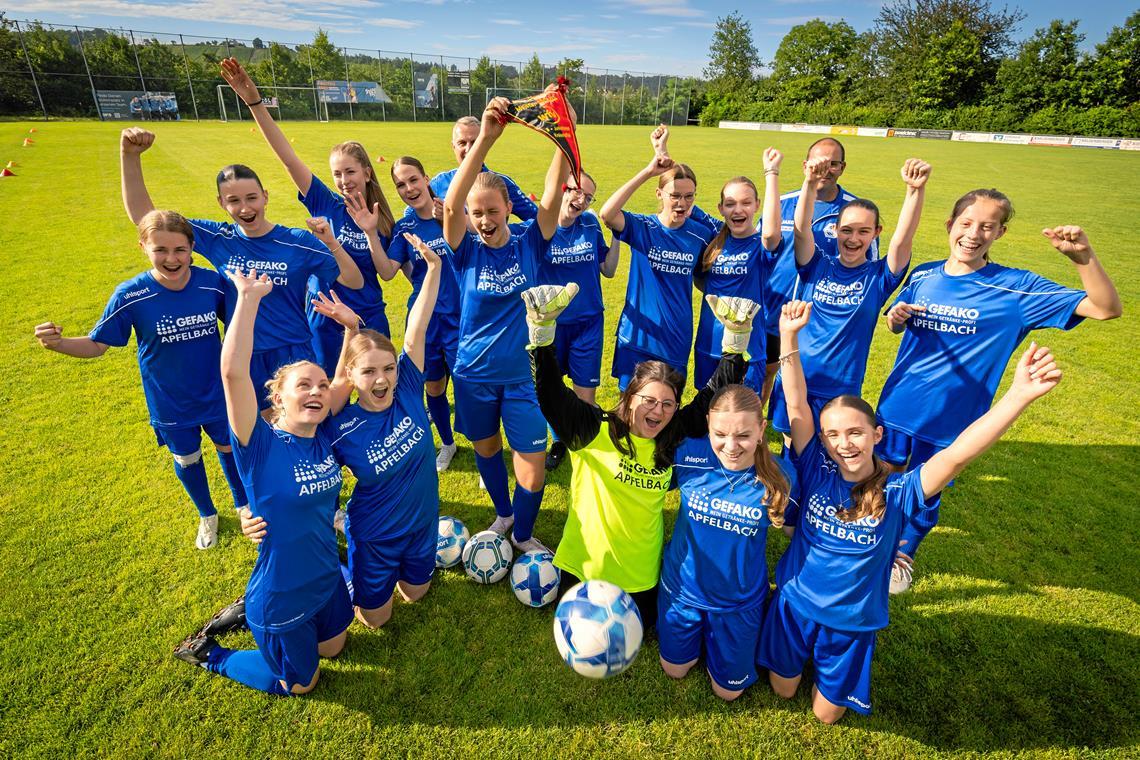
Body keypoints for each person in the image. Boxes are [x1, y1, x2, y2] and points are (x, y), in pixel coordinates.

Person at [759, 300, 1064, 723]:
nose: (844, 443)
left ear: (876, 434)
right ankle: (797, 659)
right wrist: (789, 336)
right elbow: (796, 404)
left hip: (852, 622)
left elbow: (956, 455)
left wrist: (1018, 396)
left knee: (826, 716)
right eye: (833, 434)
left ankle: (828, 673)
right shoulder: (814, 465)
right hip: (794, 603)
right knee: (781, 689)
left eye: (855, 433)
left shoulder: (900, 490)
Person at [876, 190, 1123, 593]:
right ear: (950, 225)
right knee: (879, 479)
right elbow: (894, 320)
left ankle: (903, 554)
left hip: (953, 419)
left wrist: (1084, 259)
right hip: (897, 404)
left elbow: (1105, 308)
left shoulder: (1017, 288)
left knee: (927, 488)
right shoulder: (923, 273)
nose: (974, 234)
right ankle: (869, 541)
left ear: (1000, 232)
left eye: (987, 226)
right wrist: (896, 317)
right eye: (967, 223)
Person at [525, 281, 761, 628]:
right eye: (648, 400)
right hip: (584, 567)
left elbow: (711, 397)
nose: (658, 410)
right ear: (629, 397)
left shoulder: (672, 434)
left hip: (641, 576)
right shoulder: (594, 430)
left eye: (668, 403)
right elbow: (550, 392)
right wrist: (542, 332)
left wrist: (735, 342)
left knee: (645, 628)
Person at [240, 232, 443, 630]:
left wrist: (432, 270)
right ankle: (343, 575)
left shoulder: (406, 390)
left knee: (416, 593)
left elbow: (416, 329)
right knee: (375, 620)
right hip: (375, 535)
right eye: (368, 371)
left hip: (424, 521)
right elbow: (285, 454)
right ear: (350, 376)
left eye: (388, 368)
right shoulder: (337, 425)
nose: (382, 378)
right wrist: (254, 513)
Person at [173, 267, 351, 696]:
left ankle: (245, 611)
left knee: (335, 647)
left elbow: (343, 379)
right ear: (278, 397)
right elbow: (233, 375)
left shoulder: (322, 434)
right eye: (303, 385)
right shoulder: (259, 443)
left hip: (325, 577)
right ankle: (209, 653)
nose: (316, 391)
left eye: (321, 386)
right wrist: (248, 299)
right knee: (300, 684)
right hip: (283, 594)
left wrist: (350, 329)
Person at [33, 210, 247, 550]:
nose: (172, 259)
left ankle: (244, 506)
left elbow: (242, 327)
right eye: (160, 249)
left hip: (218, 394)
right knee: (187, 458)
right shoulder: (131, 294)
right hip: (170, 400)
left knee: (229, 448)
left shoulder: (212, 284)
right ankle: (207, 514)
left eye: (179, 249)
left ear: (192, 247)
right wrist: (59, 344)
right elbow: (98, 345)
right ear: (143, 247)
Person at [119, 127, 365, 409]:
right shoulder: (218, 239)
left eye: (251, 198)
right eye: (233, 200)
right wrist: (130, 156)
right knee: (257, 435)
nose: (245, 208)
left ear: (265, 196)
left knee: (302, 428)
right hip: (243, 355)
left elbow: (354, 280)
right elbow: (146, 219)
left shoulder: (297, 242)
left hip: (293, 351)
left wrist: (332, 243)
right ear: (221, 202)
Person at [441, 92, 569, 553]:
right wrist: (486, 139)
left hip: (524, 377)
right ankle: (503, 514)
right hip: (474, 374)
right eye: (478, 214)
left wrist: (562, 139)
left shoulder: (530, 244)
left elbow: (552, 199)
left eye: (493, 211)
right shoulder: (465, 250)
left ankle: (522, 532)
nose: (484, 220)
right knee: (487, 448)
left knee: (531, 462)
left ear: (509, 209)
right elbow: (451, 206)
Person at [220, 57, 397, 377]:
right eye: (337, 174)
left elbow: (385, 274)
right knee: (325, 397)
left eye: (350, 172)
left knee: (379, 390)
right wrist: (255, 103)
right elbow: (288, 159)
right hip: (324, 320)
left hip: (369, 317)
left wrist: (371, 233)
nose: (343, 180)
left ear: (367, 173)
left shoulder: (383, 219)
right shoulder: (324, 203)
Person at [768, 156, 929, 438]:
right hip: (796, 378)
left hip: (840, 386)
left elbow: (902, 240)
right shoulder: (816, 264)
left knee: (832, 453)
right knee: (793, 449)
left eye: (864, 231)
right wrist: (809, 182)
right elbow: (801, 228)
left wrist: (914, 191)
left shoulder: (879, 277)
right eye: (847, 230)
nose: (854, 238)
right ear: (836, 231)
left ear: (876, 233)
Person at [658, 384, 794, 701]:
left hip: (738, 602)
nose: (731, 446)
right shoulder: (687, 453)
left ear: (762, 430)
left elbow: (799, 531)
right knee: (675, 669)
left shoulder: (781, 476)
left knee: (728, 693)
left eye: (743, 436)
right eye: (720, 434)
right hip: (682, 591)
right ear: (708, 423)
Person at [757, 138, 871, 408]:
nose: (825, 169)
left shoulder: (854, 211)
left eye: (833, 164)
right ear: (805, 165)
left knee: (806, 382)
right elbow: (760, 250)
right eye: (819, 162)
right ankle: (758, 431)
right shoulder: (782, 203)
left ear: (842, 168)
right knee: (763, 375)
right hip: (773, 309)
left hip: (820, 322)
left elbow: (867, 269)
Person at [600, 126, 716, 390]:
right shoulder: (643, 227)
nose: (681, 203)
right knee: (629, 408)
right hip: (638, 337)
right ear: (659, 194)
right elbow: (607, 214)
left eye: (689, 197)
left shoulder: (700, 235)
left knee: (667, 410)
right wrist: (650, 170)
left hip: (676, 337)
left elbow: (701, 278)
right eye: (674, 196)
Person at [537, 169, 621, 471]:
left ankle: (585, 453)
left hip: (587, 324)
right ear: (561, 188)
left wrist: (616, 235)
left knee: (586, 397)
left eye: (588, 196)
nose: (581, 199)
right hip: (552, 326)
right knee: (550, 390)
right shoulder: (540, 228)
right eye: (576, 191)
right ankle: (559, 440)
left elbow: (608, 270)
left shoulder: (590, 224)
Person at [384, 157, 464, 472]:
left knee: (471, 387)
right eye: (401, 185)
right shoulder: (404, 228)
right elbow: (389, 272)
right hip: (425, 321)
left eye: (413, 180)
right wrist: (367, 233)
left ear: (426, 177)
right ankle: (448, 443)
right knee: (433, 387)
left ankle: (488, 453)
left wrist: (453, 219)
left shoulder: (452, 213)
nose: (409, 189)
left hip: (461, 318)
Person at [690, 148, 785, 392]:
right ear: (720, 208)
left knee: (741, 412)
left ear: (757, 206)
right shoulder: (715, 239)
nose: (738, 210)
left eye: (746, 203)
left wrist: (771, 173)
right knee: (707, 411)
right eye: (730, 204)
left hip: (748, 348)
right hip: (709, 343)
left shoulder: (761, 245)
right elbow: (683, 200)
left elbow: (773, 233)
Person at [426, 115, 538, 222]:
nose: (469, 149)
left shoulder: (502, 183)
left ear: (483, 144)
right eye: (462, 143)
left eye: (475, 142)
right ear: (453, 146)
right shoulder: (439, 183)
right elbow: (415, 220)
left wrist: (510, 234)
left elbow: (539, 220)